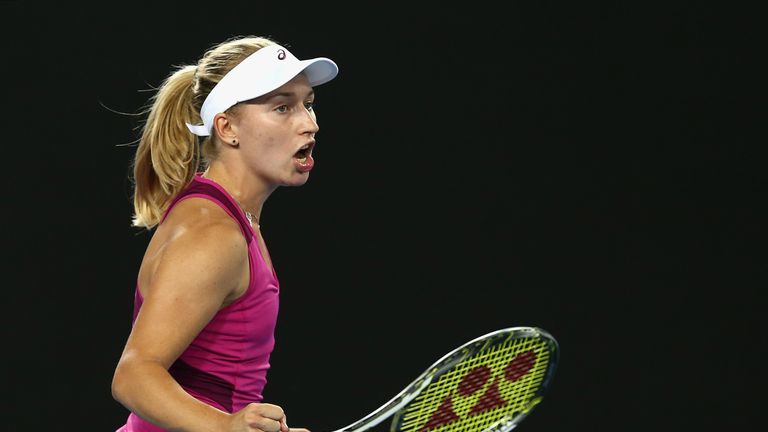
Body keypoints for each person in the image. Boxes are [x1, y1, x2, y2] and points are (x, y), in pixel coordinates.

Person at [111, 35, 338, 432]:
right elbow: (133, 375)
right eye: (282, 107)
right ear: (227, 127)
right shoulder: (213, 233)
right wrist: (226, 427)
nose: (309, 123)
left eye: (308, 104)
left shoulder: (235, 219)